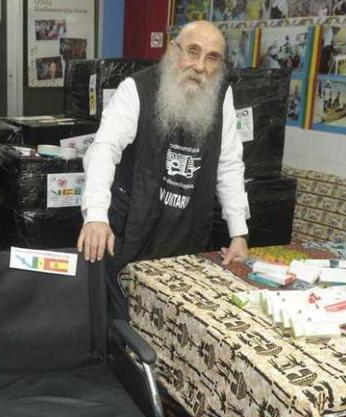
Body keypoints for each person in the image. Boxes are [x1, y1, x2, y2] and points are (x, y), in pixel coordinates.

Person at [77, 21, 250, 320]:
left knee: (177, 323)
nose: (199, 66)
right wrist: (95, 215)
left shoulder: (222, 96)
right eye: (192, 52)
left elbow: (230, 162)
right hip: (131, 229)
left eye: (211, 58)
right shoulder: (136, 88)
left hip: (185, 233)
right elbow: (104, 148)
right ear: (173, 50)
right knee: (122, 325)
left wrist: (239, 232)